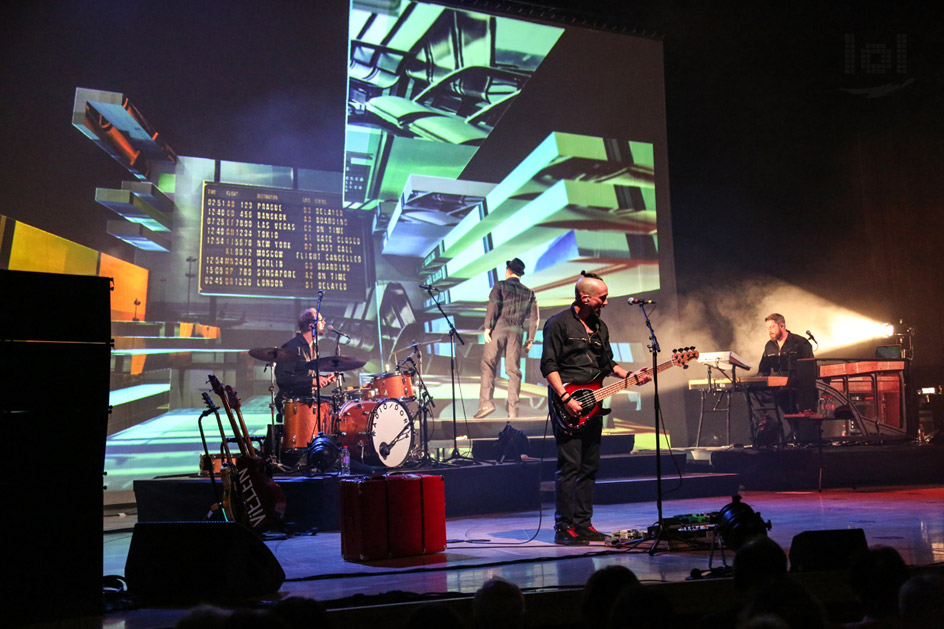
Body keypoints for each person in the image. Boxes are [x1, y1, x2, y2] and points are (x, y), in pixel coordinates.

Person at [540, 271, 650, 545]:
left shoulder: (601, 327)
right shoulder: (558, 324)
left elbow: (607, 365)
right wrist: (566, 398)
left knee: (590, 466)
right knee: (570, 466)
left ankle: (584, 524)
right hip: (568, 402)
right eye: (603, 298)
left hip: (594, 403)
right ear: (584, 297)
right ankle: (564, 528)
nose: (606, 302)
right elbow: (549, 366)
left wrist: (630, 376)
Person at [475, 258, 539, 419]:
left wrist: (488, 327)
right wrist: (530, 338)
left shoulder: (500, 285)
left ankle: (486, 404)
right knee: (513, 371)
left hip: (499, 327)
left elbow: (493, 305)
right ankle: (513, 411)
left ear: (508, 271)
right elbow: (535, 318)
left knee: (489, 364)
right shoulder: (530, 293)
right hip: (516, 331)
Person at [753, 313, 814, 445]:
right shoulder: (769, 345)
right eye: (767, 328)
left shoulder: (800, 342)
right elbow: (763, 370)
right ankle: (764, 420)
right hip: (780, 387)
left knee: (789, 401)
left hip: (800, 387)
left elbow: (810, 368)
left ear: (782, 325)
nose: (769, 331)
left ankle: (799, 435)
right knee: (750, 391)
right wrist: (759, 379)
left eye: (772, 327)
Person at [275, 308, 337, 404]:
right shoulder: (292, 347)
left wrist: (324, 378)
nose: (324, 323)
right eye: (321, 320)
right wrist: (312, 381)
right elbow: (282, 379)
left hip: (309, 398)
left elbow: (306, 375)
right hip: (294, 402)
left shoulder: (314, 347)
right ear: (311, 325)